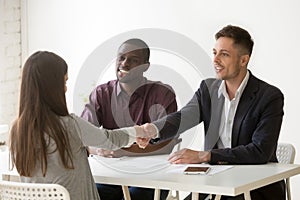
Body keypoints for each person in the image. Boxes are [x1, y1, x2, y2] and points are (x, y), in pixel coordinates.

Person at [140, 25, 285, 200]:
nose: (215, 60)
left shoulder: (269, 96)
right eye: (214, 52)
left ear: (243, 60)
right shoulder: (207, 89)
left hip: (254, 188)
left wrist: (205, 155)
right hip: (215, 183)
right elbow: (182, 118)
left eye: (224, 54)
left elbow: (259, 151)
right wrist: (152, 130)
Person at [9, 51, 153, 200]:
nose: (65, 89)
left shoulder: (17, 131)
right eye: (64, 82)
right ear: (52, 87)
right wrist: (141, 130)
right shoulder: (69, 125)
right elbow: (111, 139)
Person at [81, 38, 178, 200]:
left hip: (150, 177)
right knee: (91, 194)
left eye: (133, 60)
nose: (124, 64)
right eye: (121, 58)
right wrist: (98, 149)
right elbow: (83, 136)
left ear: (145, 66)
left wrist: (120, 150)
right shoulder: (101, 94)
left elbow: (167, 144)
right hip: (110, 176)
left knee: (133, 196)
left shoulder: (162, 94)